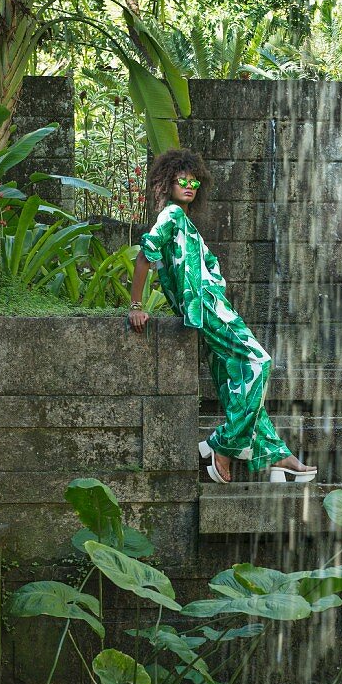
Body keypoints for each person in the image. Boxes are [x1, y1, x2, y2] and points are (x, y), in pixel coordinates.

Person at [128, 148, 317, 486]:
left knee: (239, 386)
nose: (189, 186)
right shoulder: (171, 215)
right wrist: (136, 305)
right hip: (208, 310)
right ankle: (222, 445)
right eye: (181, 180)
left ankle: (276, 456)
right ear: (167, 183)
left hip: (210, 308)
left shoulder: (185, 223)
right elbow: (145, 257)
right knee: (259, 362)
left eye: (194, 181)